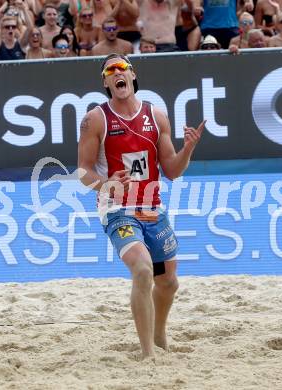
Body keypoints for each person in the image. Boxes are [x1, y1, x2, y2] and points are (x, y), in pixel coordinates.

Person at [78, 53, 205, 359]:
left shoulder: (156, 116)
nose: (117, 72)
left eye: (123, 67)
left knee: (168, 282)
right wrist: (109, 184)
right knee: (143, 270)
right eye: (111, 70)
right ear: (106, 82)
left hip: (152, 208)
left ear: (133, 75)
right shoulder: (95, 119)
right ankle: (148, 354)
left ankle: (159, 333)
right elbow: (82, 172)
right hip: (117, 208)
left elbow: (172, 170)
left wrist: (187, 149)